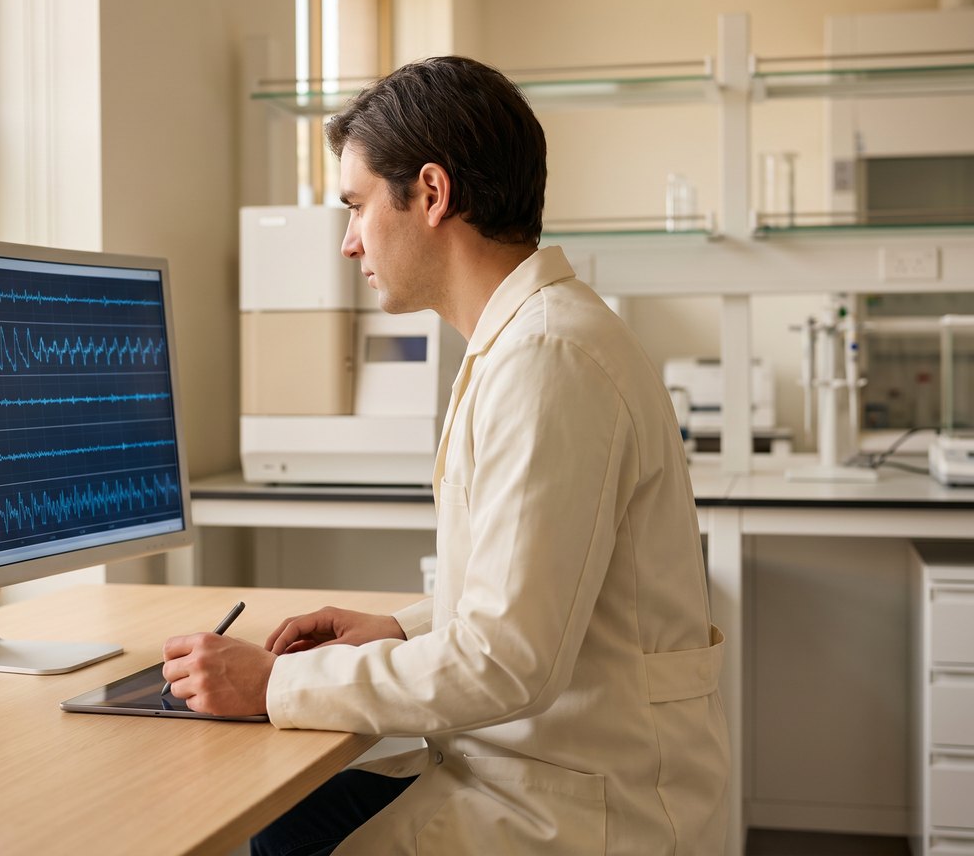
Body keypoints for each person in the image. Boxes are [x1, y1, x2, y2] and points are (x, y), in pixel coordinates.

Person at [161, 55, 729, 855]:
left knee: (280, 840)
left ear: (431, 193)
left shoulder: (548, 359)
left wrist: (275, 681)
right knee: (285, 828)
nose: (349, 243)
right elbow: (539, 586)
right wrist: (397, 627)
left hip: (578, 801)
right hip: (530, 758)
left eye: (356, 206)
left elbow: (506, 660)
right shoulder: (530, 339)